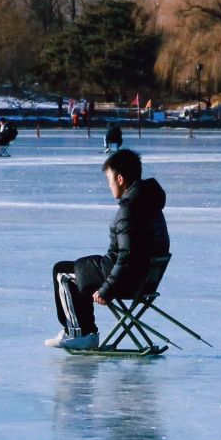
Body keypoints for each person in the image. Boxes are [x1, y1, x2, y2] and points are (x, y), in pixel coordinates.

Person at [46, 148, 170, 351]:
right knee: (77, 267)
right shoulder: (148, 202)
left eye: (109, 179)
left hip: (128, 278)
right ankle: (84, 331)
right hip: (144, 277)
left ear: (120, 179)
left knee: (62, 273)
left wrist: (107, 288)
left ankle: (79, 334)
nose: (109, 185)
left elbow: (127, 256)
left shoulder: (129, 209)